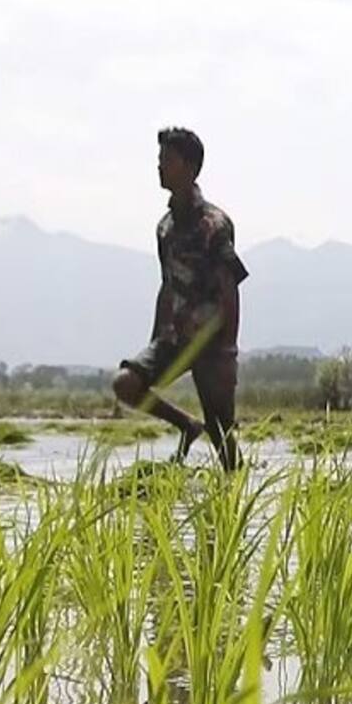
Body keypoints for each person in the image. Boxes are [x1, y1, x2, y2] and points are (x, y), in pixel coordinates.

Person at [111, 127, 248, 471]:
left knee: (222, 435)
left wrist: (229, 350)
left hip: (211, 342)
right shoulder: (165, 228)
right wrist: (154, 341)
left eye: (166, 160)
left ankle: (233, 503)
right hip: (174, 336)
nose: (159, 167)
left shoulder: (214, 225)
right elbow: (167, 285)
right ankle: (187, 425)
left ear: (189, 167)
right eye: (159, 160)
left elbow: (229, 288)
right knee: (126, 383)